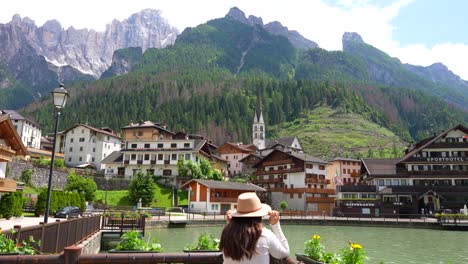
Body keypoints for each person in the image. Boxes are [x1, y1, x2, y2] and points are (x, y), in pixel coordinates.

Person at [220, 192, 290, 263]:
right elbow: (284, 253)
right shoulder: (265, 235)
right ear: (259, 216)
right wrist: (275, 225)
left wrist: (231, 224)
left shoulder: (227, 233)